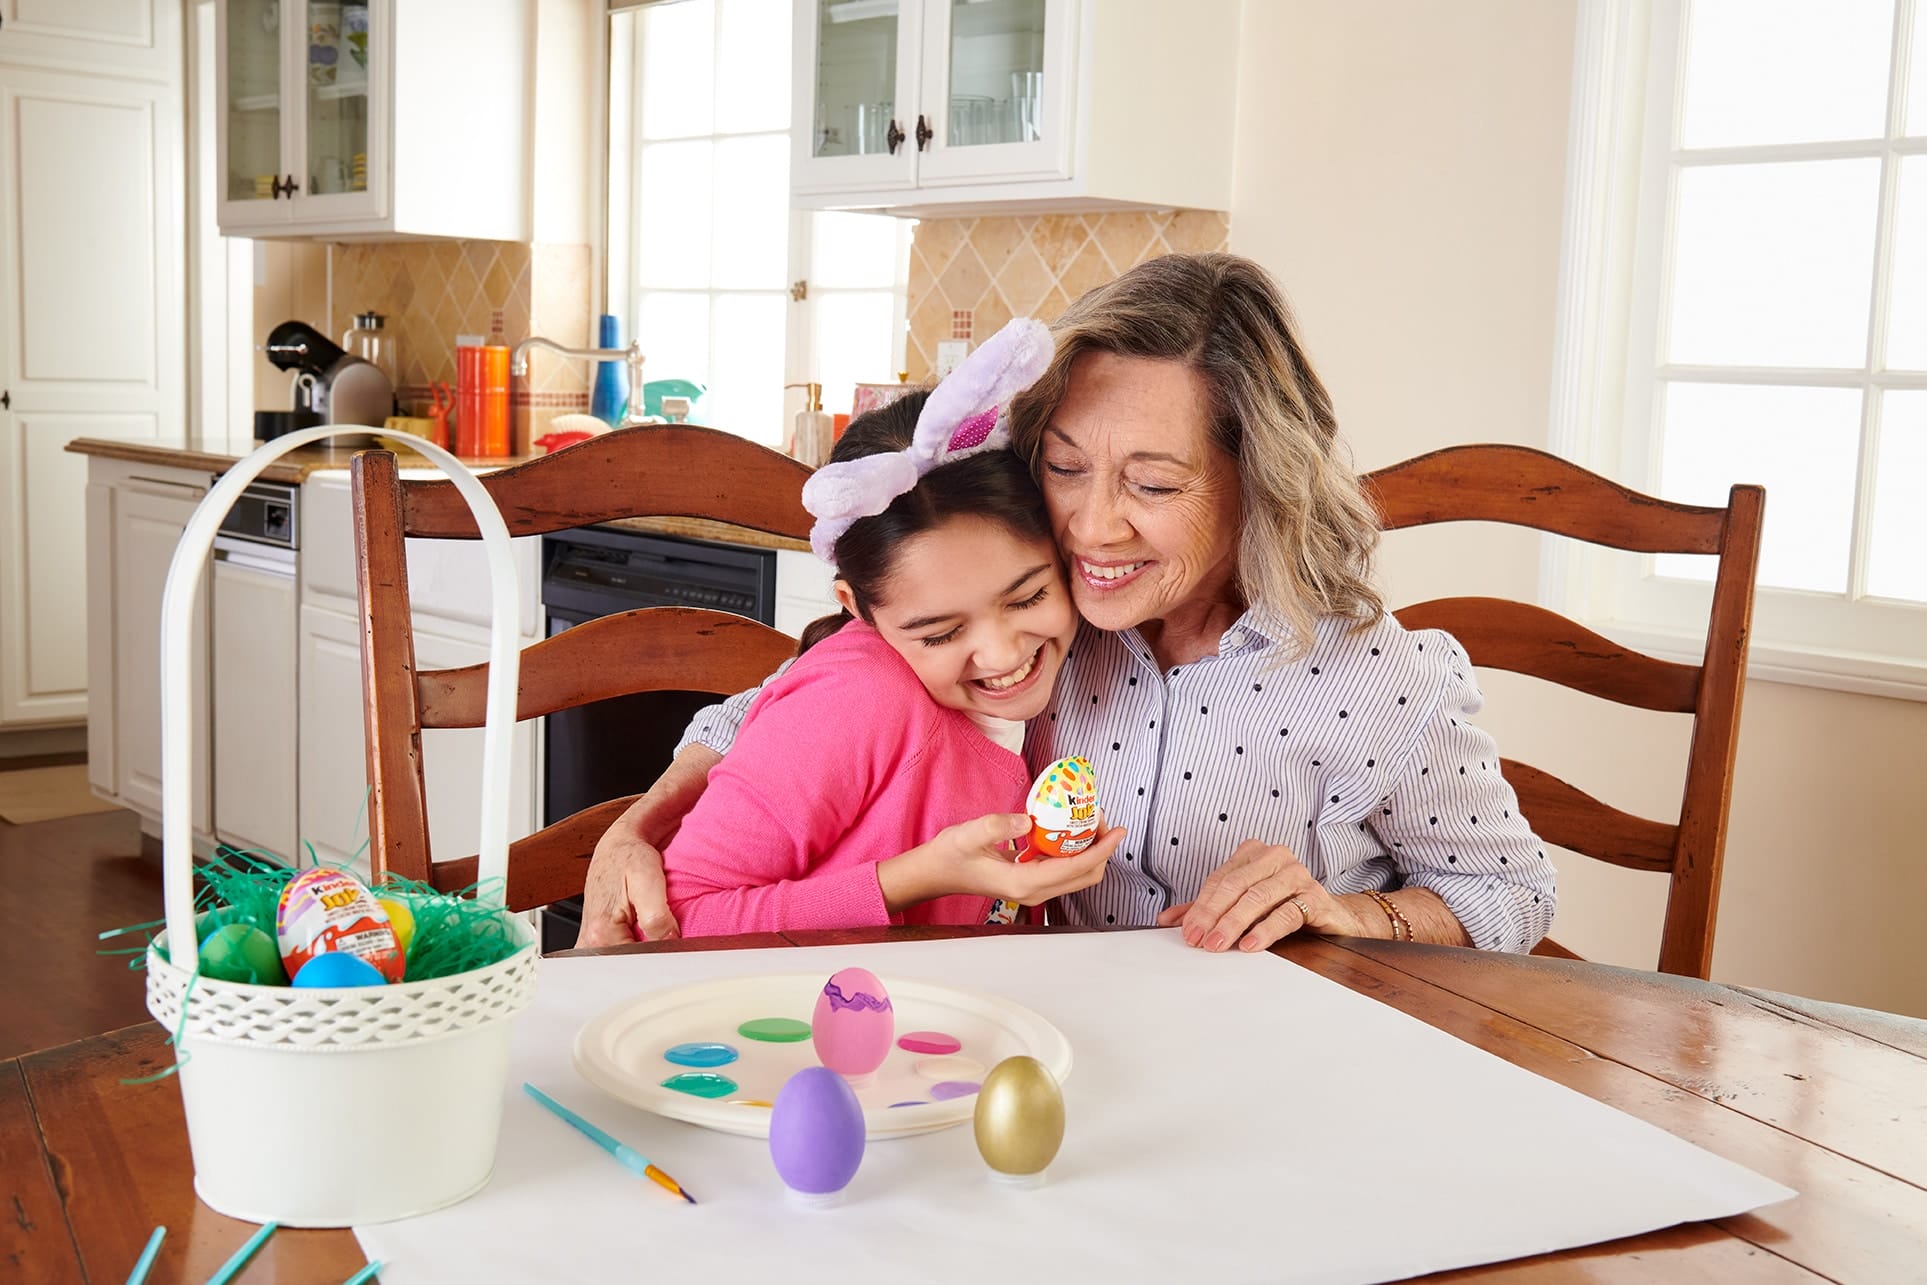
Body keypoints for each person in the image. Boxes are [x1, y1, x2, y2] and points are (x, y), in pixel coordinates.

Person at [581, 253, 1555, 955]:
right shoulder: (1029, 614)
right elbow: (770, 710)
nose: (1092, 527)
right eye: (1065, 467)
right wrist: (641, 828)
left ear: (1261, 481)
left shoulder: (1380, 678)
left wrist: (1350, 914)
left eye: (1154, 485)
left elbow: (1511, 893)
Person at [655, 320, 1122, 936]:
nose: (1003, 651)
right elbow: (678, 919)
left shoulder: (1097, 644)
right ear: (857, 608)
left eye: (1029, 596)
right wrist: (918, 877)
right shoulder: (853, 701)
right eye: (939, 634)